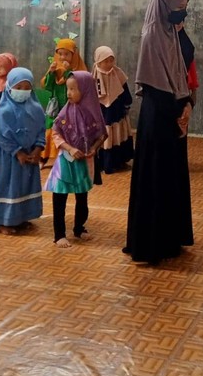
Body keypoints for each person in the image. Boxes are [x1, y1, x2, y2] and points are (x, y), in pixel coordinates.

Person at [124, 0, 194, 265]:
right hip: (159, 117)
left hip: (174, 114)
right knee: (156, 178)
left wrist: (187, 105)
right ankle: (151, 243)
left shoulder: (171, 35)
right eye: (178, 9)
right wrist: (177, 112)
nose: (182, 13)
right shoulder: (153, 35)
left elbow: (179, 77)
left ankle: (170, 237)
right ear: (165, 7)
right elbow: (154, 85)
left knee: (171, 178)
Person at [44, 71, 106, 249]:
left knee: (82, 196)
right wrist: (70, 148)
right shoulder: (65, 113)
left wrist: (93, 149)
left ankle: (79, 228)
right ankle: (59, 235)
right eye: (67, 89)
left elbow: (101, 135)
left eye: (73, 89)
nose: (69, 93)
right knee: (60, 197)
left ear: (86, 91)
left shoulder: (94, 112)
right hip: (66, 162)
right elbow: (56, 133)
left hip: (84, 162)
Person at [0, 67, 45, 235]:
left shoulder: (36, 109)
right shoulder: (4, 110)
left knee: (24, 186)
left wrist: (38, 149)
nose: (22, 91)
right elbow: (0, 134)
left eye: (26, 87)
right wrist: (18, 152)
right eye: (18, 87)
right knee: (8, 186)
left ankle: (21, 217)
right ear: (9, 87)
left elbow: (41, 130)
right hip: (8, 157)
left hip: (30, 156)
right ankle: (2, 222)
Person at [40, 38, 87, 166]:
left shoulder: (78, 68)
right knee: (52, 128)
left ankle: (67, 156)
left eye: (66, 54)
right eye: (60, 54)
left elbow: (79, 83)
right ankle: (46, 157)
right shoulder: (56, 68)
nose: (62, 57)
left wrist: (68, 71)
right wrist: (51, 72)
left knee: (68, 129)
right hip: (56, 106)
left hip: (71, 105)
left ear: (74, 54)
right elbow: (48, 86)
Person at [92, 46, 134, 174]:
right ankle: (105, 163)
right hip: (102, 112)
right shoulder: (94, 75)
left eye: (111, 60)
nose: (109, 64)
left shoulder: (117, 72)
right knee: (105, 135)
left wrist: (127, 103)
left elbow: (125, 90)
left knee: (118, 134)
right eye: (106, 61)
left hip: (117, 110)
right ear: (99, 62)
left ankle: (119, 161)